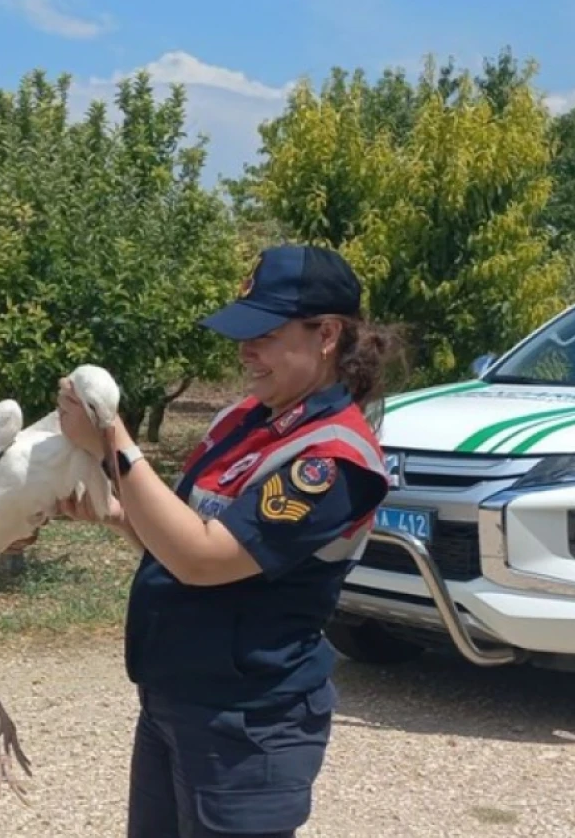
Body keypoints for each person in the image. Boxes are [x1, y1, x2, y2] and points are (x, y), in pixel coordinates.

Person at [55, 243, 401, 838]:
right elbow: (186, 533)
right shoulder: (243, 421)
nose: (246, 351)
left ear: (326, 334)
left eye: (265, 333)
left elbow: (205, 558)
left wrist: (111, 437)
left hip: (247, 723)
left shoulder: (331, 459)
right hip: (178, 700)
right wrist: (115, 514)